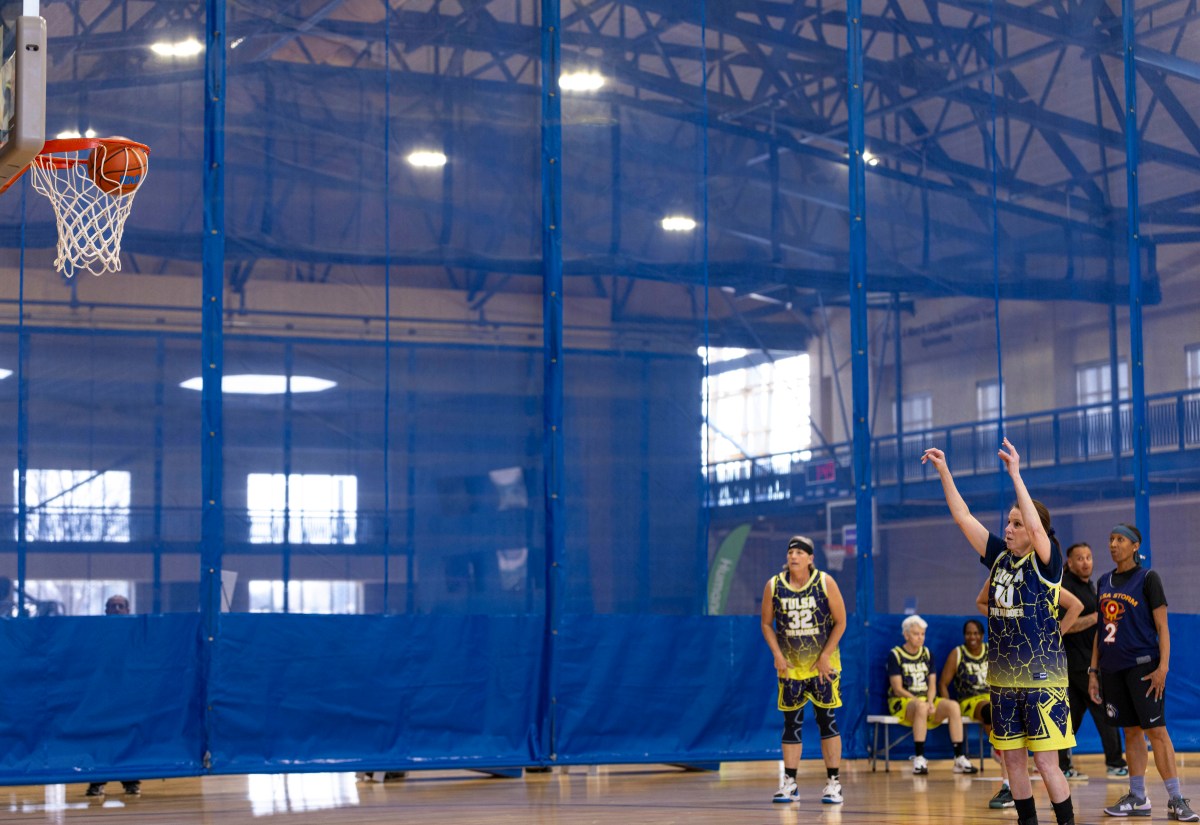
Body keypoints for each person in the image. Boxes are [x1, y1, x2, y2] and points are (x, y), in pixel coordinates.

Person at [922, 439, 1081, 825]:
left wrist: (1016, 475)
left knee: (1045, 762)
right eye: (1007, 523)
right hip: (1003, 679)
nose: (1008, 529)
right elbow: (963, 518)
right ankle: (1027, 821)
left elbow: (1039, 532)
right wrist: (945, 472)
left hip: (1042, 681)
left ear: (1034, 530)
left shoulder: (1047, 562)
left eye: (1016, 524)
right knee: (1012, 760)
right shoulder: (999, 558)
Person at [1091, 524, 1196, 821]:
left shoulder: (1148, 578)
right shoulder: (1103, 581)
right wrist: (1093, 671)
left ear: (1135, 546)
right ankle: (1138, 797)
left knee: (1157, 731)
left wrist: (1163, 667)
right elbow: (1100, 631)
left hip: (1143, 668)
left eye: (1120, 540)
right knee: (1131, 732)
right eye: (1110, 539)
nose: (1113, 544)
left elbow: (1162, 627)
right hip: (1112, 670)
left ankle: (1176, 798)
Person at [760, 535, 847, 805]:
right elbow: (766, 624)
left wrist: (825, 656)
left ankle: (833, 782)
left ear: (810, 558)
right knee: (791, 724)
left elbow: (841, 622)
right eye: (790, 552)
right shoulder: (774, 585)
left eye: (799, 552)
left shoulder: (824, 582)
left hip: (822, 666)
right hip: (791, 667)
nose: (793, 556)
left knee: (826, 720)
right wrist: (777, 654)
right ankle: (790, 782)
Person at [1056, 542, 1127, 780]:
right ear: (1069, 562)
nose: (1085, 562)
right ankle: (1116, 762)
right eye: (1079, 558)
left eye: (1089, 557)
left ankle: (1061, 765)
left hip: (1088, 660)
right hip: (1077, 663)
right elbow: (1063, 627)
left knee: (1072, 716)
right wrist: (1096, 617)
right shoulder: (1065, 587)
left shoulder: (1090, 586)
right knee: (1103, 707)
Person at [887, 614, 978, 776]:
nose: (920, 638)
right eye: (916, 634)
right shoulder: (896, 654)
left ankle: (959, 757)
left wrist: (930, 702)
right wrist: (920, 702)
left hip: (925, 700)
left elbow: (932, 684)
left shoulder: (928, 654)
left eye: (922, 634)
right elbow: (897, 688)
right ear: (906, 635)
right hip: (903, 701)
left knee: (953, 706)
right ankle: (919, 758)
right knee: (921, 707)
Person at [939, 617, 1013, 807]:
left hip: (991, 697)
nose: (972, 636)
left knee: (1001, 709)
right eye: (968, 633)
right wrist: (947, 702)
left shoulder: (990, 651)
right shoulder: (958, 653)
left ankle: (1000, 748)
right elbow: (943, 683)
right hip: (969, 701)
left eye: (975, 633)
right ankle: (998, 748)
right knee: (990, 710)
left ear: (982, 635)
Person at [85, 595, 141, 798]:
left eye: (120, 606)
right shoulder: (97, 634)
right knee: (102, 737)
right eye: (112, 606)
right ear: (105, 611)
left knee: (128, 736)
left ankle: (131, 781)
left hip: (129, 693)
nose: (116, 609)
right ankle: (97, 782)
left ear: (128, 610)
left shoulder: (137, 633)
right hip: (103, 695)